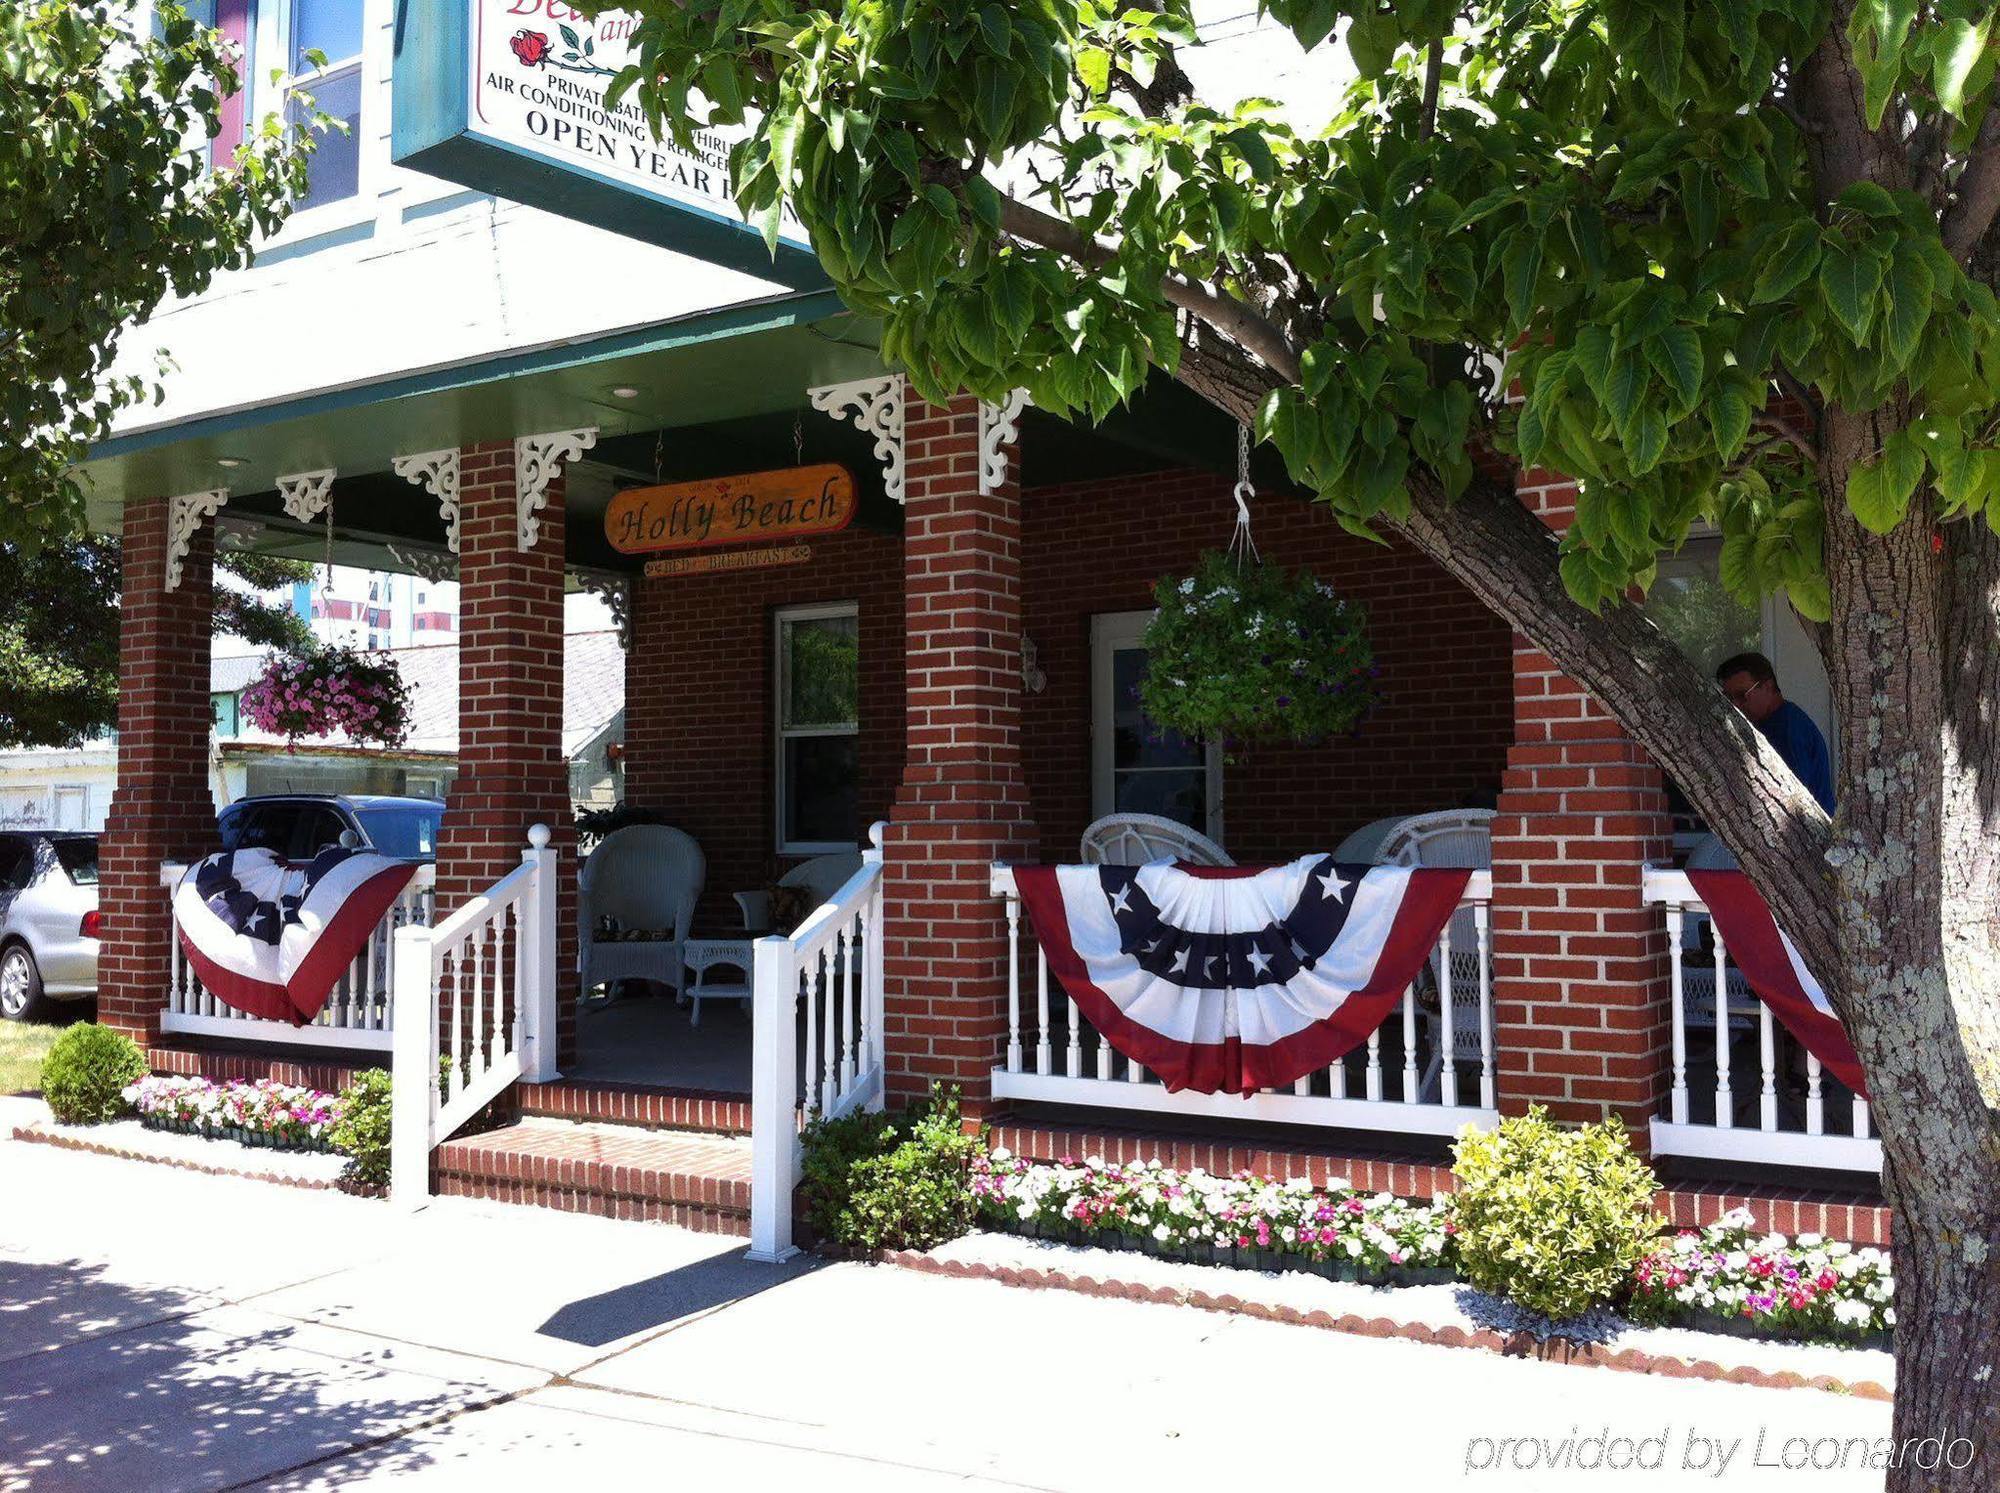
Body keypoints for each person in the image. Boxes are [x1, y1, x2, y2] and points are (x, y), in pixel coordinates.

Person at [1714, 651, 1835, 813]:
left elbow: (1793, 802)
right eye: (1728, 698)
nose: (1735, 705)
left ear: (1768, 686)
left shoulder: (1788, 729)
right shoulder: (1773, 722)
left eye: (1742, 695)